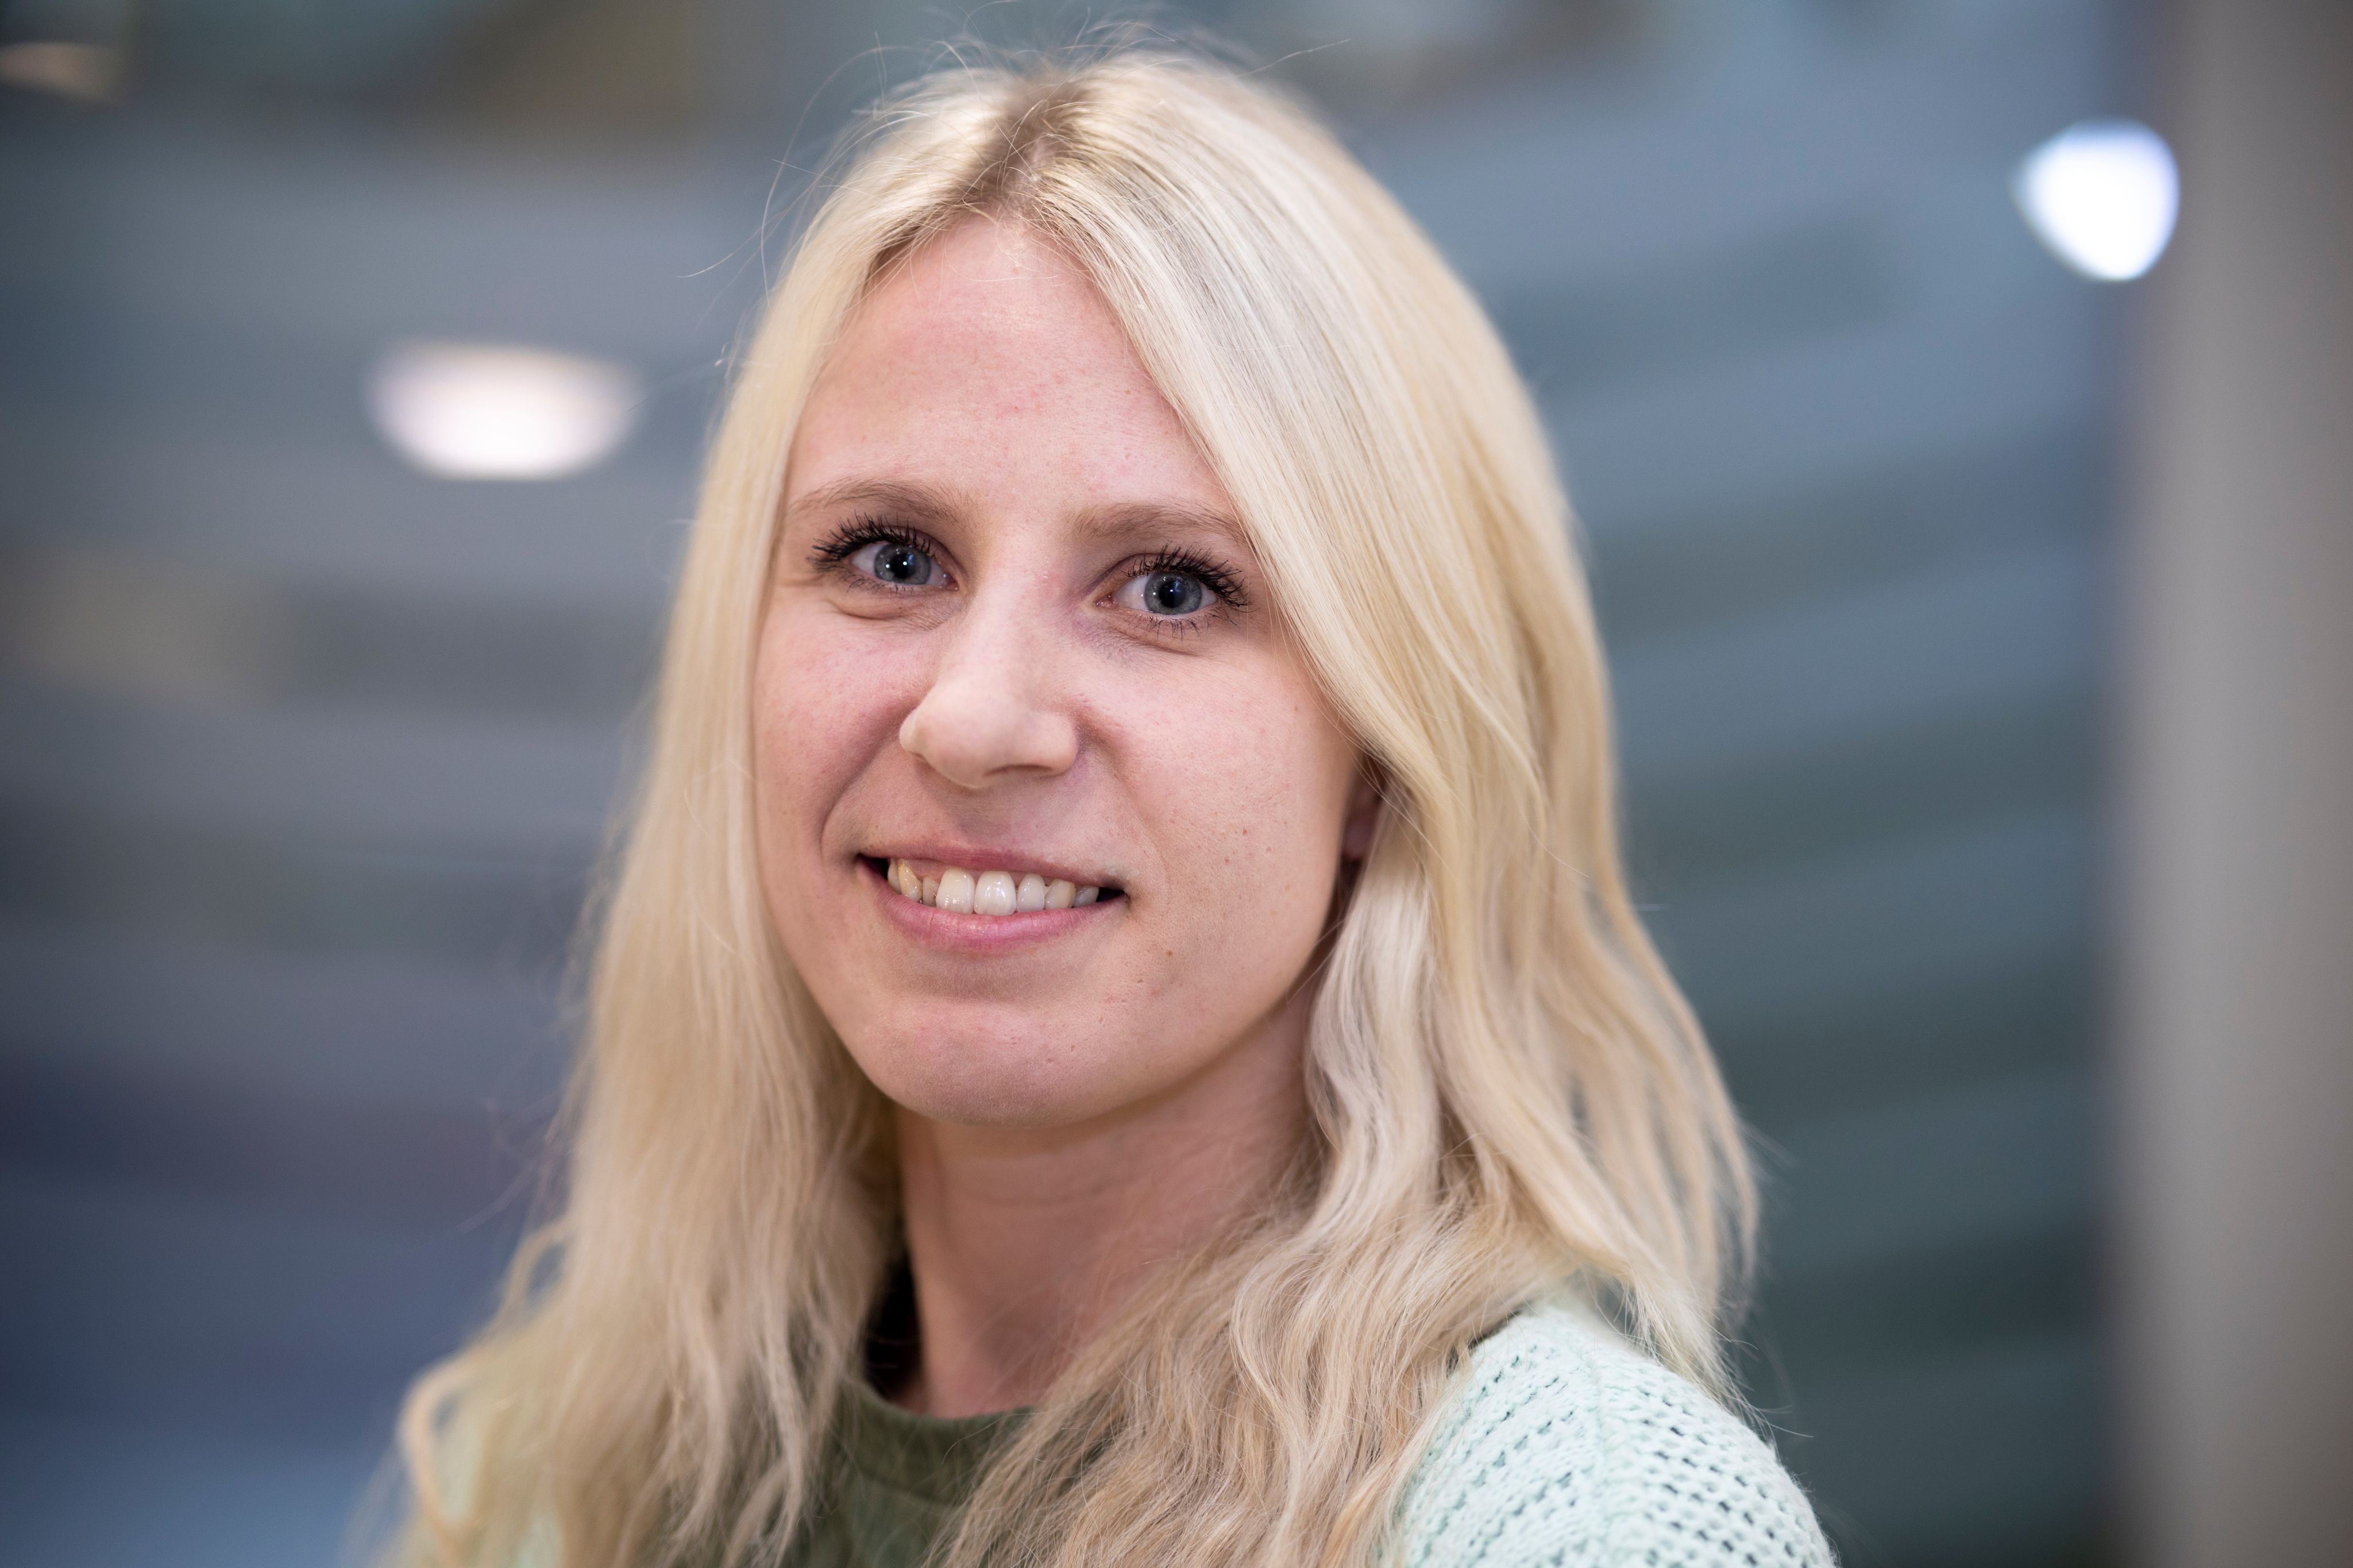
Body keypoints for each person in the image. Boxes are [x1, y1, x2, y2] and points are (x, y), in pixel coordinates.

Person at [388, 46, 1835, 1568]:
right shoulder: (563, 1474)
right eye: (892, 556)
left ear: (1386, 761)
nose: (974, 717)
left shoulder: (1583, 1526)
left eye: (1170, 586)